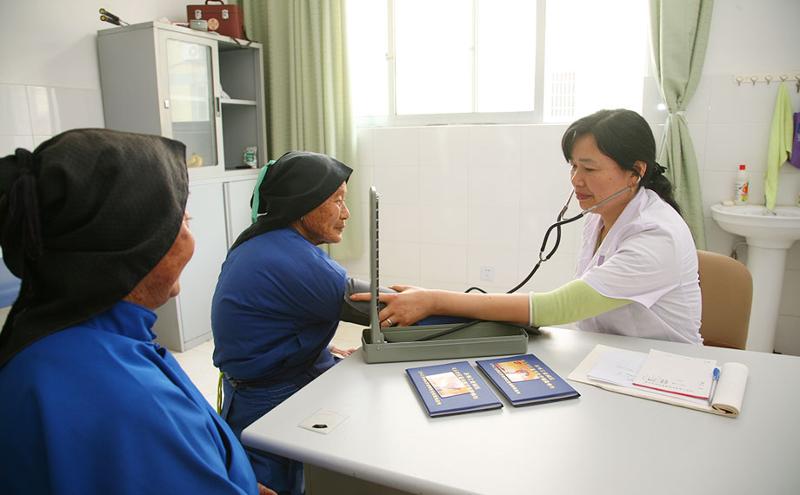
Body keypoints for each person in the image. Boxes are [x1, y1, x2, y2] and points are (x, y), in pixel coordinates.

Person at [0, 129, 274, 495]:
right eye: (183, 221)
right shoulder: (127, 399)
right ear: (133, 243)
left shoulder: (47, 338)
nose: (191, 238)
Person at [352, 109, 702, 344]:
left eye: (589, 169)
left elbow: (557, 308)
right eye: (573, 166)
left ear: (636, 171)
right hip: (607, 358)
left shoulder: (657, 236)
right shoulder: (600, 216)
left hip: (661, 370)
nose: (576, 180)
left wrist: (435, 300)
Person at [211, 151, 356, 495]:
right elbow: (384, 309)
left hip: (254, 386)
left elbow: (272, 322)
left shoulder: (263, 240)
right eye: (337, 201)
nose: (346, 213)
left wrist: (322, 348)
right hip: (268, 401)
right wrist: (465, 306)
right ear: (304, 204)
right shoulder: (290, 257)